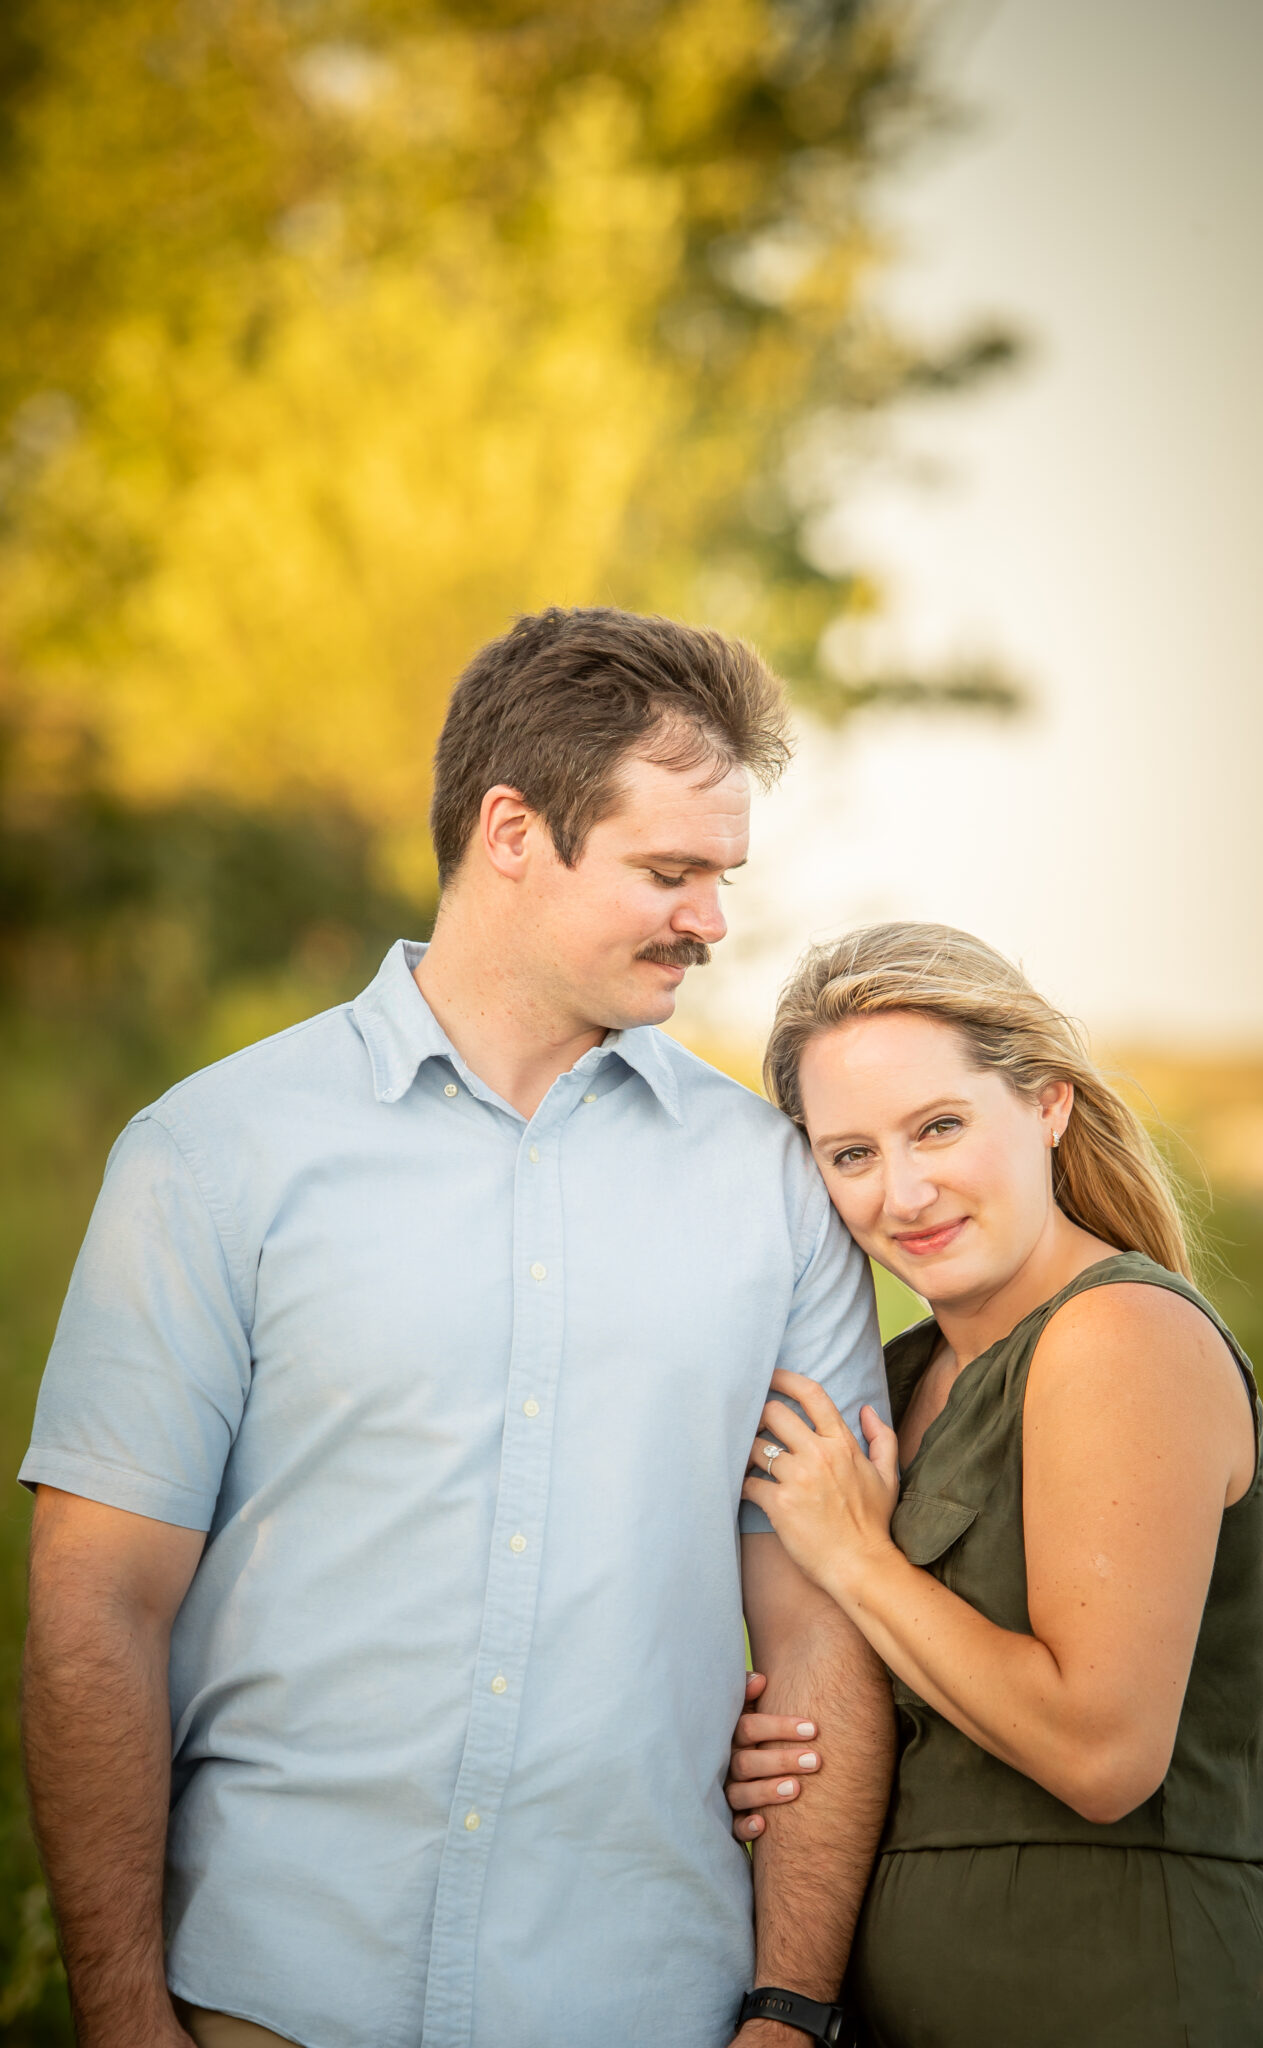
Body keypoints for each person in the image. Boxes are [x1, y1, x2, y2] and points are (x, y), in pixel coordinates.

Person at [19, 608, 896, 2048]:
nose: (712, 922)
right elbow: (95, 1608)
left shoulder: (773, 1190)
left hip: (644, 2004)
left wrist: (788, 2013)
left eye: (721, 877)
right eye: (670, 871)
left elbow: (819, 1626)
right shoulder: (213, 1154)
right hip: (268, 1997)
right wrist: (122, 2022)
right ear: (511, 830)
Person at [726, 922, 1263, 2047]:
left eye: (939, 1126)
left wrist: (857, 1559)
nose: (902, 1192)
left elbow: (1100, 1753)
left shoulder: (1120, 1334)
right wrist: (772, 1744)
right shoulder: (896, 1381)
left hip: (1130, 2002)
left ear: (1047, 1104)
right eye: (849, 1153)